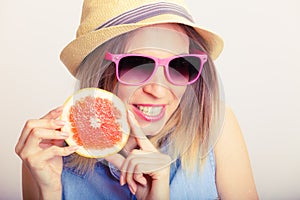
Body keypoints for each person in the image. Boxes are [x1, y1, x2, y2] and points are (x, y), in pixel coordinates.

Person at [15, 0, 258, 199]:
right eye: (137, 65)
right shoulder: (47, 153)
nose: (160, 91)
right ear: (101, 71)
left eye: (181, 66)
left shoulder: (216, 126)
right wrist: (49, 192)